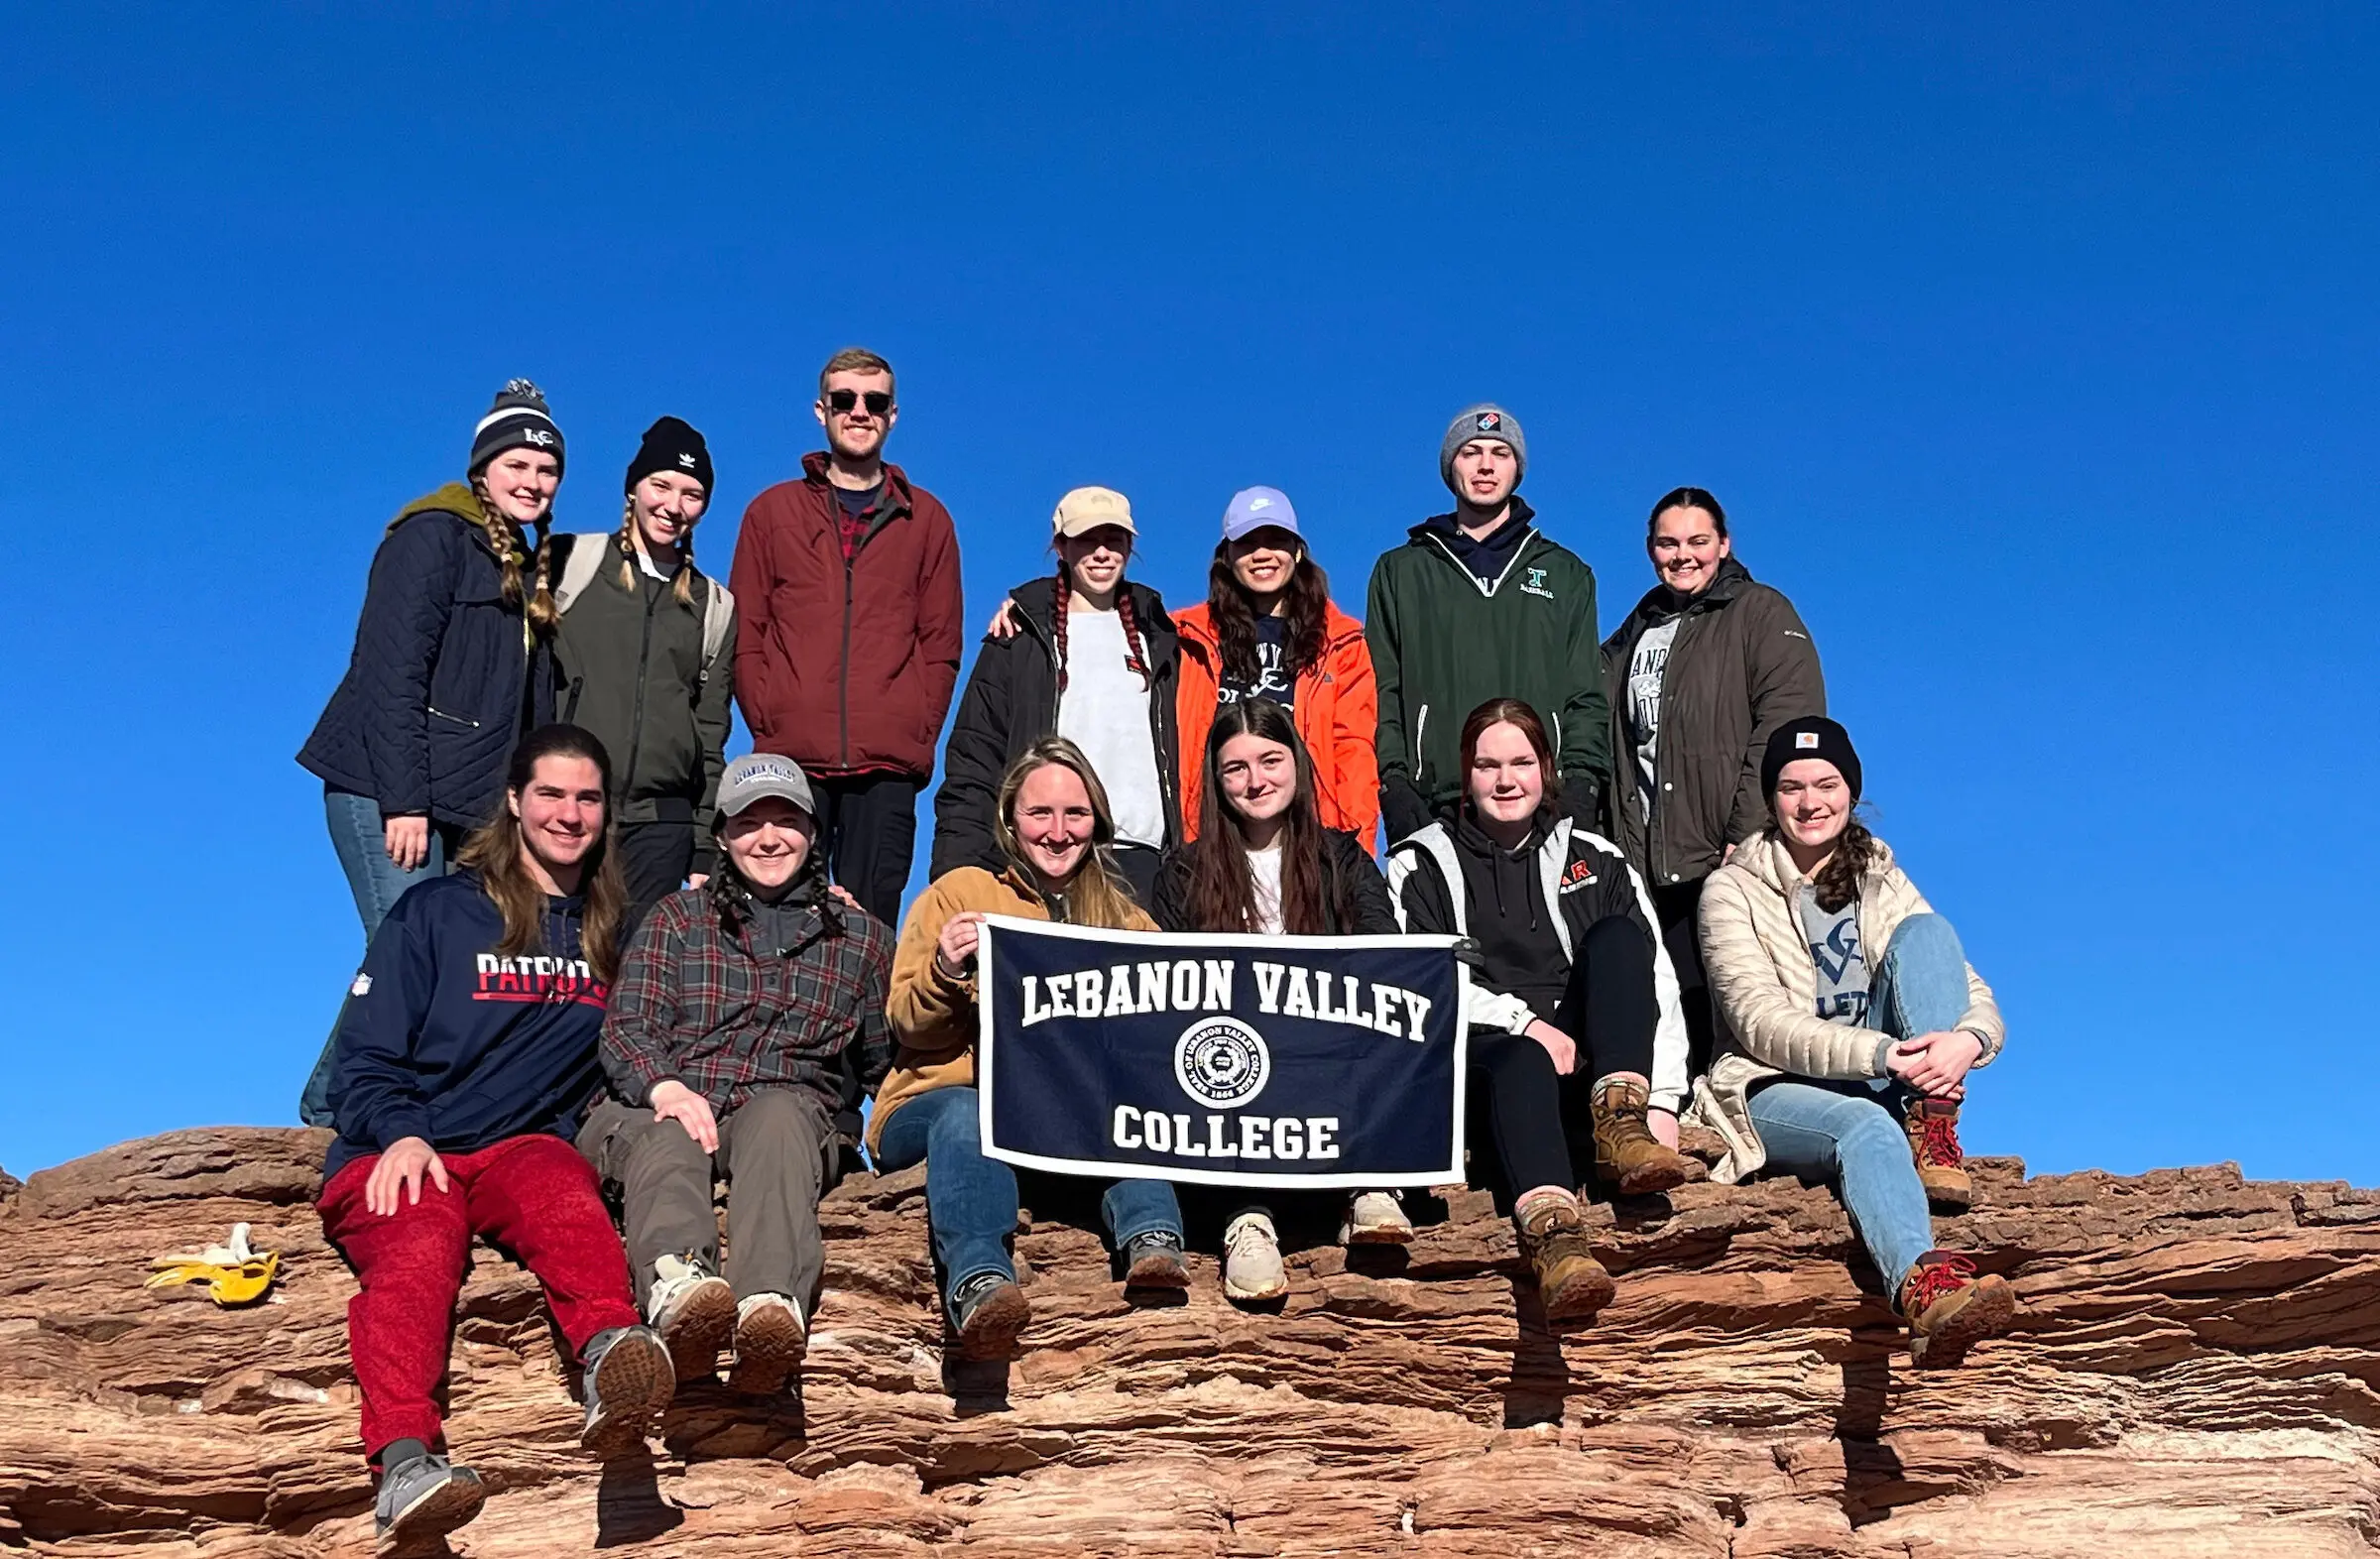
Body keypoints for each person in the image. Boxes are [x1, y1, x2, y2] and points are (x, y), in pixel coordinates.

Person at [316, 725, 672, 1554]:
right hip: (401, 1149)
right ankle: (405, 1459)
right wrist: (401, 1135)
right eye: (551, 794)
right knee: (420, 1246)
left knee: (562, 1185)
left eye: (587, 798)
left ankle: (612, 1358)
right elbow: (361, 1058)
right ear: (514, 803)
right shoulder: (438, 909)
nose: (569, 814)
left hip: (519, 1147)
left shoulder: (609, 932)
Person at [1692, 716, 2013, 1360]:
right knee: (1866, 1127)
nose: (1810, 802)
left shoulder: (1878, 877)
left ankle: (1935, 1122)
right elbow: (1759, 1024)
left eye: (1826, 783)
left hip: (1881, 1078)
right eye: (1791, 787)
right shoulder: (1730, 890)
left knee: (1930, 935)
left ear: (1852, 791)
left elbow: (1966, 984)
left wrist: (1967, 1044)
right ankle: (1924, 1288)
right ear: (1770, 798)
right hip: (1768, 1089)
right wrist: (1883, 1054)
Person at [297, 380, 569, 1126]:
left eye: (547, 471)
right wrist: (404, 801)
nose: (533, 482)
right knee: (404, 946)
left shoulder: (525, 562)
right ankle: (332, 1112)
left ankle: (340, 1103)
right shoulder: (432, 537)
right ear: (483, 468)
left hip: (466, 802)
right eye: (517, 465)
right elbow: (391, 673)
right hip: (385, 786)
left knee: (446, 952)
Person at [580, 753, 893, 1394]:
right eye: (750, 823)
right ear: (723, 835)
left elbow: (884, 1062)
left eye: (786, 821)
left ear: (814, 834)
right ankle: (681, 1289)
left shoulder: (862, 939)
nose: (769, 838)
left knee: (782, 1117)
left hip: (784, 1112)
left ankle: (769, 1310)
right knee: (668, 1134)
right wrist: (664, 1086)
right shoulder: (675, 919)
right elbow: (627, 1026)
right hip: (659, 1100)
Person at [875, 738, 1190, 1358]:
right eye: (1039, 814)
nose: (1057, 831)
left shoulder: (1128, 922)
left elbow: (1159, 1044)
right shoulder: (959, 893)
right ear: (1010, 820)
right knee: (969, 1111)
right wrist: (944, 969)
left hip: (1064, 1120)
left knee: (1133, 1111)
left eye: (1074, 814)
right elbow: (906, 1024)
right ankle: (979, 1279)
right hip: (937, 1101)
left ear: (1096, 819)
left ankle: (1154, 1239)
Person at [1149, 700, 1405, 1302]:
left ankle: (1366, 1183)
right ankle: (1247, 1219)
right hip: (1233, 1060)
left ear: (1298, 764)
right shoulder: (1183, 874)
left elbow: (1385, 948)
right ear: (1215, 780)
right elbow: (1160, 986)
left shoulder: (1341, 859)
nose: (1255, 781)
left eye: (1270, 760)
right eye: (1234, 768)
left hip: (1328, 1048)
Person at [1390, 698, 1696, 1196]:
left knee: (1619, 938)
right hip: (1487, 1068)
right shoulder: (1418, 866)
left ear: (1546, 769)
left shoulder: (1599, 858)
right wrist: (1526, 1024)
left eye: (1521, 764)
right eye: (1487, 766)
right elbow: (1424, 985)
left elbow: (1657, 981)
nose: (1505, 781)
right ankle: (1553, 1233)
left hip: (1586, 1064)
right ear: (1466, 774)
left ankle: (1623, 1123)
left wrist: (1662, 1100)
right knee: (1520, 1059)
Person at [730, 347, 964, 926]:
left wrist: (914, 728)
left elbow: (941, 645)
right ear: (821, 410)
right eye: (844, 400)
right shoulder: (771, 512)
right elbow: (747, 630)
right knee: (778, 918)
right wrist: (770, 719)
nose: (859, 411)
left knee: (872, 927)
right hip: (790, 758)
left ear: (893, 415)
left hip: (885, 765)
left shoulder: (927, 520)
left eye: (875, 401)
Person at [1601, 487, 1825, 1078]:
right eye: (1668, 543)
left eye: (1698, 541)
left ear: (1723, 545)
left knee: (1733, 993)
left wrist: (1746, 827)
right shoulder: (1634, 631)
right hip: (1645, 853)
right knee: (1667, 996)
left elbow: (1787, 724)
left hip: (1723, 849)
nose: (1683, 555)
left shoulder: (1760, 613)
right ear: (1651, 549)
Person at [1367, 405, 1610, 848]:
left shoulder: (1565, 573)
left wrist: (1582, 783)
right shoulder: (1402, 571)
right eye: (1470, 452)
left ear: (1517, 468)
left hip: (1540, 801)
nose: (1485, 465)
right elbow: (1382, 689)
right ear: (1450, 467)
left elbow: (1585, 696)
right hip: (1435, 802)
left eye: (1500, 453)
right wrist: (1394, 784)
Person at [932, 487, 1181, 903]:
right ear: (1061, 546)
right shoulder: (1018, 636)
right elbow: (974, 759)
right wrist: (956, 880)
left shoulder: (1162, 639)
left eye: (1114, 539)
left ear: (1130, 546)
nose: (1101, 552)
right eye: (1087, 539)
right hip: (1047, 856)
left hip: (1144, 863)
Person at [550, 417, 737, 929]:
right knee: (553, 968)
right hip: (569, 809)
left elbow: (711, 735)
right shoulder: (568, 563)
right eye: (661, 485)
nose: (673, 506)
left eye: (692, 494)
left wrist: (703, 847)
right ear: (633, 488)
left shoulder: (714, 606)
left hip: (661, 829)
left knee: (632, 980)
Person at [1171, 486, 1378, 850]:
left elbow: (1354, 752)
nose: (1262, 554)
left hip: (1307, 837)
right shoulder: (1187, 638)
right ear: (1227, 556)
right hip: (1210, 836)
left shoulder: (1341, 642)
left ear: (1297, 552)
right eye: (1248, 543)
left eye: (1276, 541)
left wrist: (1354, 851)